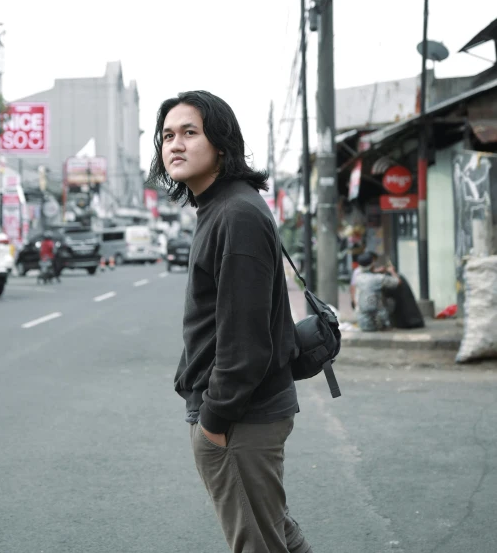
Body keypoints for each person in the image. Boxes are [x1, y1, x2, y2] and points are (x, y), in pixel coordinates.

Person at [148, 90, 313, 553]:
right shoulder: (222, 207)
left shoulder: (235, 213)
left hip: (241, 418)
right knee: (275, 533)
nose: (175, 145)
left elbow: (245, 341)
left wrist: (214, 422)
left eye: (189, 132)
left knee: (258, 542)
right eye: (166, 135)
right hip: (246, 414)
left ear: (220, 142)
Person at [354, 251, 400, 332]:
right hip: (375, 323)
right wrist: (392, 271)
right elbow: (397, 282)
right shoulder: (378, 278)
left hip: (361, 322)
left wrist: (377, 271)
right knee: (391, 301)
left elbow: (368, 274)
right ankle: (386, 325)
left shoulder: (358, 278)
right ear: (372, 265)